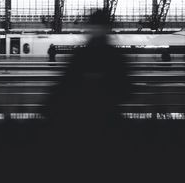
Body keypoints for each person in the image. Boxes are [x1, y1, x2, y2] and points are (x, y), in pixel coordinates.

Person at [44, 9, 132, 177]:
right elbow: (126, 89)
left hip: (81, 120)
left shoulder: (81, 55)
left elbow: (65, 86)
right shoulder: (116, 56)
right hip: (108, 119)